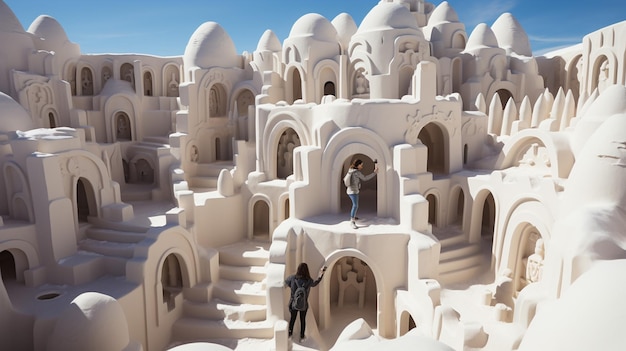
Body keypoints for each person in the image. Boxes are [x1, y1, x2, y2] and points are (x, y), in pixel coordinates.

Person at [284, 263, 327, 342]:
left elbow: (285, 284)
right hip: (304, 305)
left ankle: (289, 334)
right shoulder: (309, 281)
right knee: (302, 320)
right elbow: (316, 282)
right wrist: (322, 273)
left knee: (292, 319)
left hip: (293, 303)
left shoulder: (292, 278)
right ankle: (302, 336)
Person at [346, 159, 378, 229]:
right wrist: (374, 173)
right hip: (353, 191)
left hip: (350, 190)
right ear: (358, 165)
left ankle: (353, 216)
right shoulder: (356, 172)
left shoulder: (350, 170)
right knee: (355, 206)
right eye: (361, 165)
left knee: (355, 205)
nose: (362, 166)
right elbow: (365, 178)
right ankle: (352, 221)